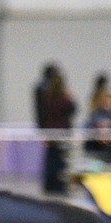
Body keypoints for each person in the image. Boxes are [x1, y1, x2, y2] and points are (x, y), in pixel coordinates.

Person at [39, 66, 76, 195]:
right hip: (61, 132)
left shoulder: (48, 98)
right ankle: (59, 186)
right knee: (60, 160)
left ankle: (50, 185)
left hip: (50, 131)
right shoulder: (64, 99)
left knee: (51, 158)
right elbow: (73, 109)